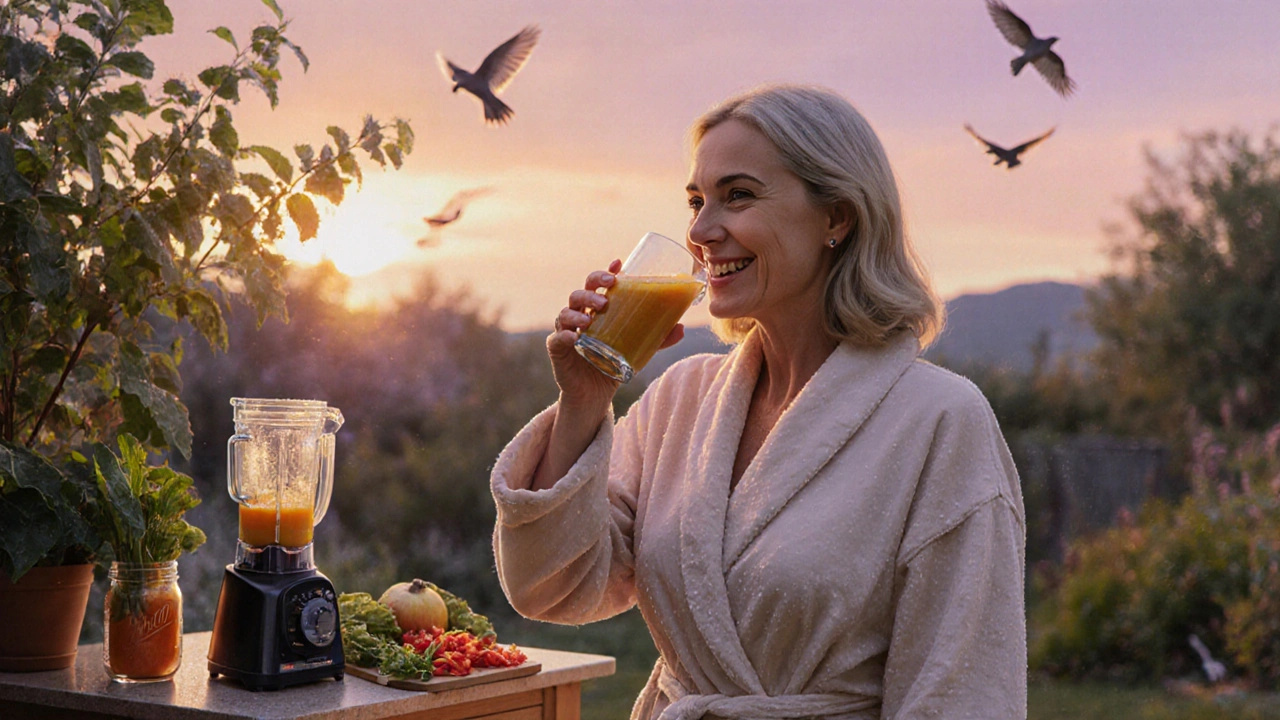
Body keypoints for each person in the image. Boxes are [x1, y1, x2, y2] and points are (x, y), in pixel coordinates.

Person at [489, 83, 1027, 719]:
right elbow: (551, 587)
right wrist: (583, 401)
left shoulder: (939, 420)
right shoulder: (682, 400)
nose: (700, 231)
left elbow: (960, 693)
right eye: (696, 201)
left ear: (837, 217)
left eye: (738, 195)